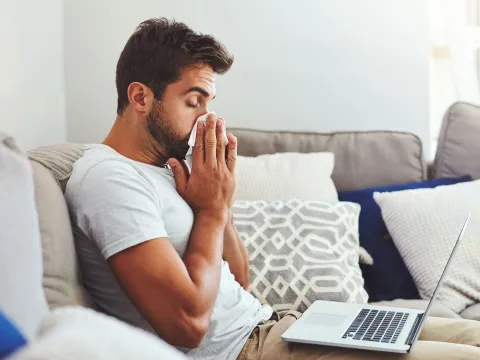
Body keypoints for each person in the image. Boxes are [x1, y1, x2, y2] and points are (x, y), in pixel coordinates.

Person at [65, 17, 480, 360]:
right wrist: (209, 211)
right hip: (248, 351)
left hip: (279, 324)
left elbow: (239, 281)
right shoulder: (108, 179)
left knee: (472, 335)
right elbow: (188, 325)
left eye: (209, 101)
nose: (208, 117)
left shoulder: (168, 168)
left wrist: (221, 204)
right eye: (194, 101)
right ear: (140, 96)